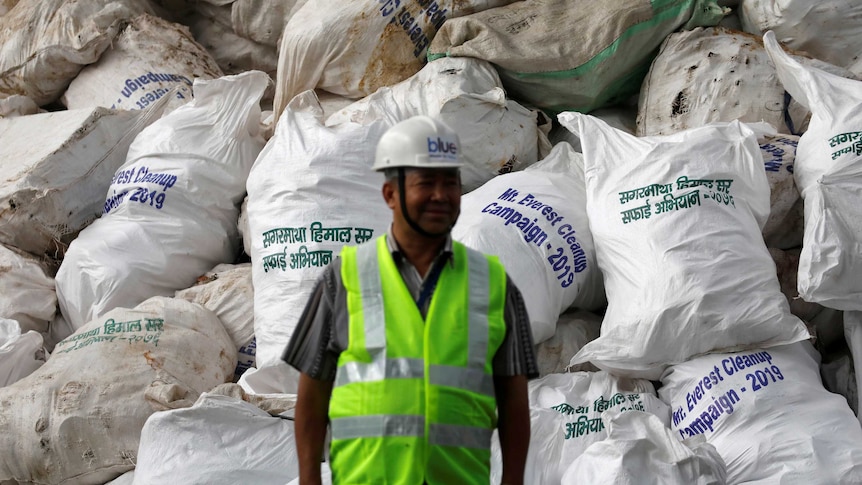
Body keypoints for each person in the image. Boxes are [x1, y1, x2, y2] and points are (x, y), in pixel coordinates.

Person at [283, 115, 538, 484]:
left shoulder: (493, 282)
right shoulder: (344, 278)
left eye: (450, 183)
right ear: (390, 194)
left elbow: (514, 402)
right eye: (426, 183)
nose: (441, 195)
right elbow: (312, 394)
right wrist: (310, 479)